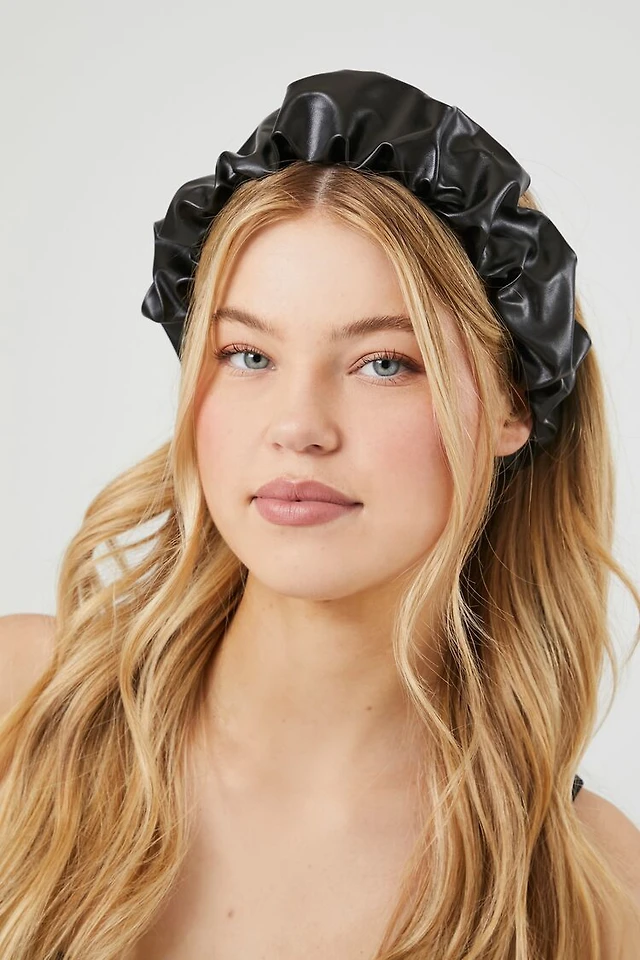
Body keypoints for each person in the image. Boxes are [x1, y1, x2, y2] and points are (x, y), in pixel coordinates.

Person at [1, 70, 640, 959]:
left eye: (384, 363)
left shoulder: (592, 887)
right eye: (248, 354)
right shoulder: (23, 704)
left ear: (510, 405)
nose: (298, 426)